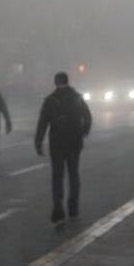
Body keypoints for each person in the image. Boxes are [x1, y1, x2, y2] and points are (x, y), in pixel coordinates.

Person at [34, 71, 93, 224]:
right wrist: (84, 132)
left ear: (55, 82)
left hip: (57, 143)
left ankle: (58, 210)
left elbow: (42, 122)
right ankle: (73, 208)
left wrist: (38, 142)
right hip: (74, 142)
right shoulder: (77, 98)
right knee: (73, 175)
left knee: (57, 176)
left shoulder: (50, 100)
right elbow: (88, 117)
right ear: (68, 81)